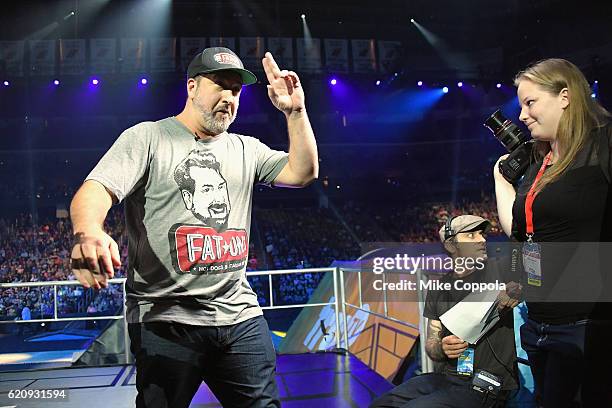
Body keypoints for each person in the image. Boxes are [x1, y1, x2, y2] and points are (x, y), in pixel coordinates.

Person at [69, 47, 318, 408]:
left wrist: (295, 112)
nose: (228, 97)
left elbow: (303, 172)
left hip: (239, 316)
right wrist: (89, 230)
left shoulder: (246, 149)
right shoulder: (148, 138)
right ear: (191, 87)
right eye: (219, 85)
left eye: (235, 90)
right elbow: (97, 188)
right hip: (166, 318)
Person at [494, 58, 612, 407]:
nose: (522, 116)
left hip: (586, 328)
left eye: (530, 103)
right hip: (538, 325)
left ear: (565, 96)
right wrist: (500, 179)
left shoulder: (603, 143)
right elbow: (522, 232)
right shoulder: (537, 162)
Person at [370, 215, 519, 408]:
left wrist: (517, 290)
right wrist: (442, 347)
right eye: (471, 235)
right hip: (447, 378)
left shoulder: (501, 270)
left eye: (482, 234)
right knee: (381, 404)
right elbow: (432, 343)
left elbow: (530, 270)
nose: (482, 240)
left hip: (487, 383)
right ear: (451, 246)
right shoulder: (438, 289)